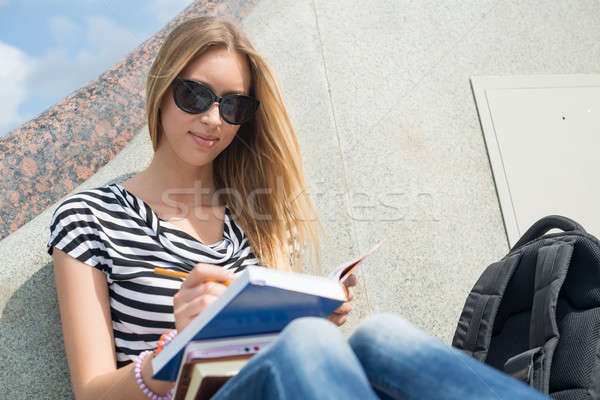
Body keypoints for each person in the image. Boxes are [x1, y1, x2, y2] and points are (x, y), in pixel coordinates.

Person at [47, 16, 549, 400]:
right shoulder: (89, 217)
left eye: (233, 106)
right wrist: (183, 350)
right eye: (194, 94)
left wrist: (313, 315)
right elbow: (90, 391)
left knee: (379, 334)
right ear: (162, 89)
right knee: (308, 343)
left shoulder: (254, 219)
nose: (212, 118)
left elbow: (274, 350)